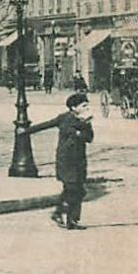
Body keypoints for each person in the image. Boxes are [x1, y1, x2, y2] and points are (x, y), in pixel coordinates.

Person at [22, 92, 94, 230]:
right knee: (72, 188)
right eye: (83, 105)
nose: (86, 108)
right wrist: (26, 131)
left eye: (87, 105)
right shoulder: (65, 119)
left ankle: (71, 220)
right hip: (66, 160)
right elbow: (46, 125)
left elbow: (90, 138)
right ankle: (59, 213)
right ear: (73, 107)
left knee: (79, 190)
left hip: (79, 161)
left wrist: (85, 125)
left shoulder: (85, 120)